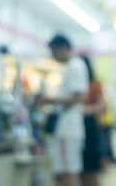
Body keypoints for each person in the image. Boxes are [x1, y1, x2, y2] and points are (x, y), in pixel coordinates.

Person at [37, 34, 88, 186]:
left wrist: (49, 99)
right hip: (68, 128)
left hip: (67, 128)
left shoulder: (75, 66)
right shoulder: (73, 66)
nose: (53, 56)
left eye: (54, 51)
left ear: (63, 47)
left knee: (68, 171)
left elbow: (77, 98)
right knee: (68, 170)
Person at [80, 55, 106, 186]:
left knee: (90, 169)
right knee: (80, 169)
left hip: (89, 127)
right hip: (78, 127)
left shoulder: (94, 84)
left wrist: (87, 110)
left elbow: (102, 105)